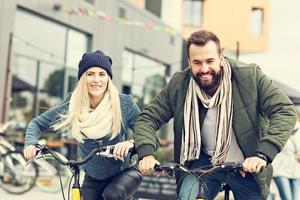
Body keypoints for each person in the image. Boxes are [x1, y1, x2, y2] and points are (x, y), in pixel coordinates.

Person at [134, 30, 297, 200]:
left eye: (210, 61)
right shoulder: (179, 84)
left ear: (221, 58)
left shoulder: (249, 76)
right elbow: (148, 118)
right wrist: (146, 153)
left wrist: (262, 154)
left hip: (247, 164)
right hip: (203, 163)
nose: (204, 69)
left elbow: (285, 110)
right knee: (187, 197)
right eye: (197, 62)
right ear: (189, 62)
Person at [23, 50, 142, 200]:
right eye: (90, 74)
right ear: (82, 78)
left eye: (102, 74)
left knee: (112, 195)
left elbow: (148, 136)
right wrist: (30, 144)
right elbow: (37, 124)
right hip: (93, 178)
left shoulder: (124, 104)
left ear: (108, 79)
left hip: (124, 173)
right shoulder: (73, 105)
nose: (96, 79)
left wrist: (131, 143)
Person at [272, 121, 300, 200]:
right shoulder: (279, 129)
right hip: (280, 169)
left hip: (295, 169)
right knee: (287, 198)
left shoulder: (298, 131)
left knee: (294, 198)